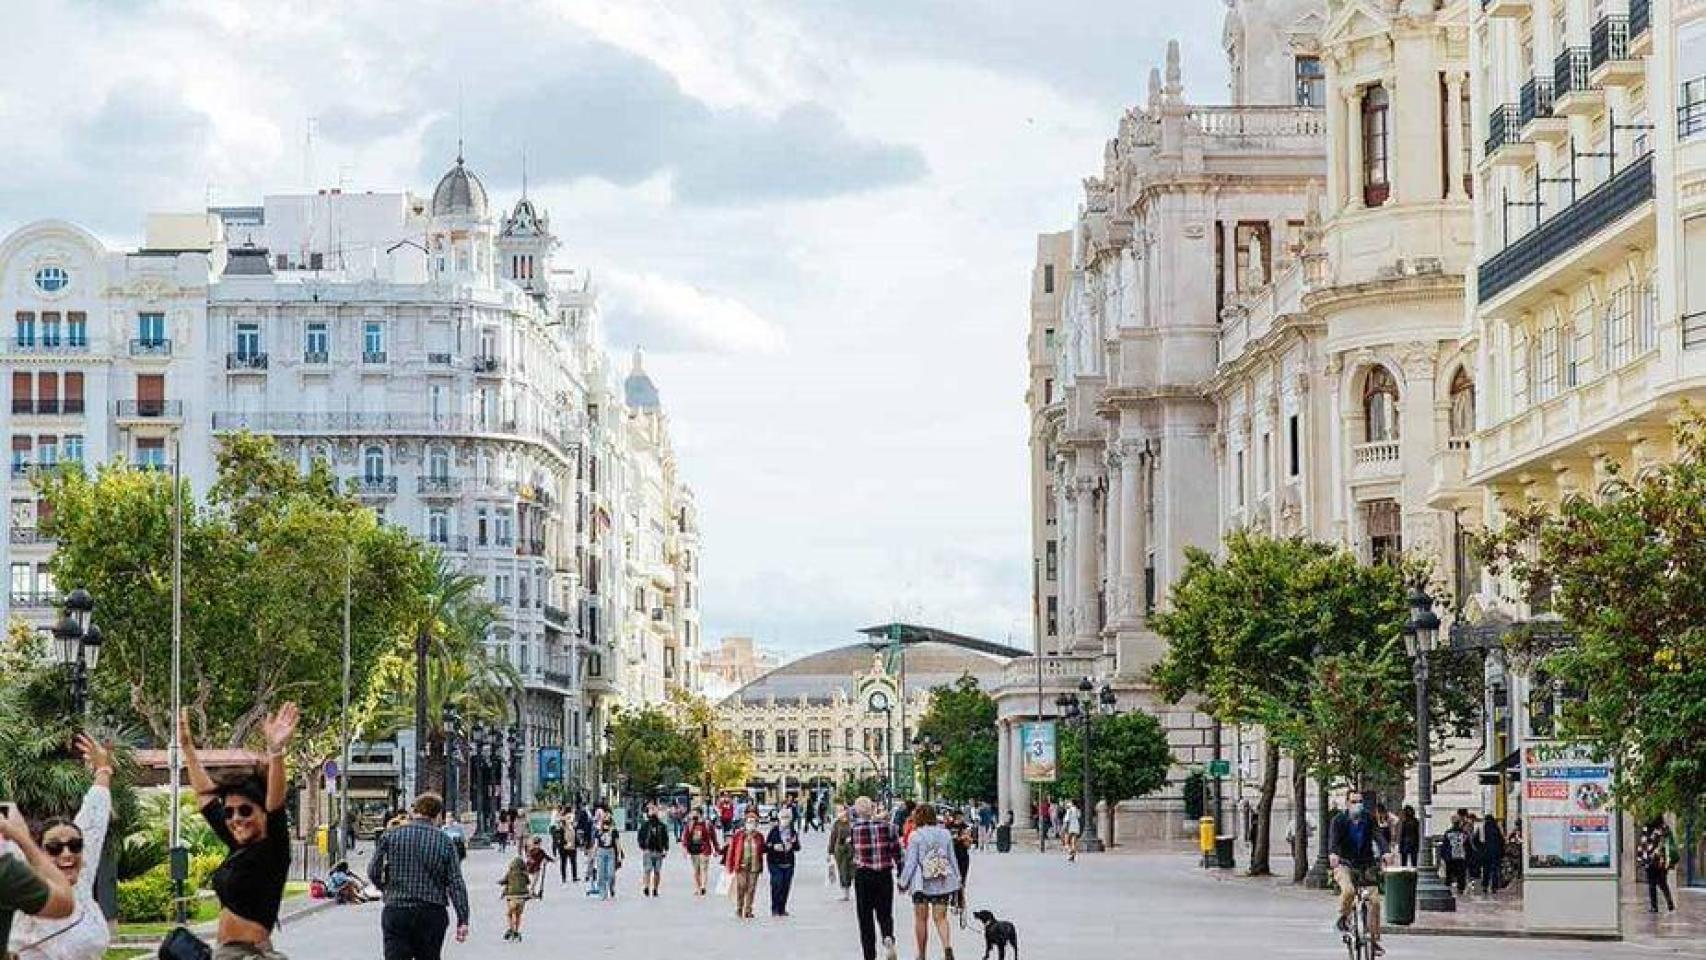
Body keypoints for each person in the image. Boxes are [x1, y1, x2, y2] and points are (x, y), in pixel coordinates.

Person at [180, 703, 299, 960]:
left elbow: (276, 804)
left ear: (263, 813)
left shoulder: (272, 849)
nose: (236, 819)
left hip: (250, 954)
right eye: (230, 812)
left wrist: (276, 751)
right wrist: (188, 748)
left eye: (245, 811)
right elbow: (205, 796)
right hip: (226, 953)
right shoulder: (238, 847)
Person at [8, 735, 114, 960]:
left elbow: (95, 819)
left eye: (75, 846)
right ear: (40, 854)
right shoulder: (29, 891)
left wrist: (103, 769)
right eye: (55, 848)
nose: (67, 853)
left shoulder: (82, 880)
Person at [368, 793, 471, 960]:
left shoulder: (391, 835)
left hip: (397, 909)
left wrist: (386, 888)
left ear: (414, 811)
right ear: (438, 815)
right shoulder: (444, 841)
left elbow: (373, 870)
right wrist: (463, 919)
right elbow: (455, 882)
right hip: (431, 912)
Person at [0, 803, 75, 955]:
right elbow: (65, 902)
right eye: (54, 846)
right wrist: (21, 837)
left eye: (75, 845)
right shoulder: (5, 871)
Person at [1328, 788, 1390, 958]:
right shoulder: (1338, 820)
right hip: (1345, 864)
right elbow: (1333, 840)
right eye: (1354, 802)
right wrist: (1333, 854)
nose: (1358, 805)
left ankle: (1375, 941)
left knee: (1375, 902)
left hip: (1366, 865)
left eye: (1360, 801)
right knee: (1348, 890)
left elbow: (1378, 836)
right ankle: (1343, 917)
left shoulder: (1368, 819)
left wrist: (1386, 851)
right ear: (1347, 803)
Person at [897, 804, 963, 960]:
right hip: (942, 881)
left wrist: (903, 882)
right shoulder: (945, 834)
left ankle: (921, 954)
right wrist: (958, 879)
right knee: (941, 918)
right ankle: (947, 947)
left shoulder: (915, 836)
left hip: (922, 884)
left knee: (921, 919)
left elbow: (911, 862)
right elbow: (952, 858)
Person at [851, 796, 902, 960]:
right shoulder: (890, 828)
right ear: (873, 808)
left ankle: (869, 955)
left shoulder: (855, 829)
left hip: (863, 876)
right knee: (885, 912)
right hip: (884, 875)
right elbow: (898, 854)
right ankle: (888, 936)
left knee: (865, 918)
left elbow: (853, 850)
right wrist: (901, 875)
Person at [722, 810, 767, 920]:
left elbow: (763, 849)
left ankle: (748, 910)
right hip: (741, 865)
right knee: (741, 887)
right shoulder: (738, 835)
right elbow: (731, 850)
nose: (751, 824)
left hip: (754, 866)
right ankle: (739, 907)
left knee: (751, 888)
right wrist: (729, 865)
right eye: (749, 821)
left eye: (754, 822)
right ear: (745, 823)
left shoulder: (759, 836)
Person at [766, 808, 802, 917]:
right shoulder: (774, 831)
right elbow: (767, 846)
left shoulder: (792, 832)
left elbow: (797, 847)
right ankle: (775, 908)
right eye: (783, 817)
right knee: (777, 884)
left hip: (788, 862)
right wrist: (774, 847)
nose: (785, 820)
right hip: (775, 862)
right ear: (779, 819)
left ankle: (782, 908)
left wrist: (794, 844)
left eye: (787, 817)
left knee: (786, 886)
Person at [1637, 816, 1678, 913]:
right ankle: (1670, 903)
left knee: (1652, 884)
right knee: (1663, 883)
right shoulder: (1664, 828)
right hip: (1661, 861)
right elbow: (1669, 844)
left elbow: (1643, 844)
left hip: (1651, 860)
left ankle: (1654, 906)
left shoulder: (1647, 828)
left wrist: (1640, 858)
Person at [681, 809, 722, 896]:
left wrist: (717, 850)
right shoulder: (690, 824)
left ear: (699, 814)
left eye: (694, 813)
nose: (692, 815)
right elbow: (685, 837)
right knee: (696, 870)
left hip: (705, 849)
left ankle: (703, 887)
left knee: (704, 868)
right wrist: (685, 849)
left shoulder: (707, 824)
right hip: (694, 850)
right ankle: (698, 887)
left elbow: (713, 838)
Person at [637, 804, 671, 898]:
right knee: (647, 870)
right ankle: (646, 887)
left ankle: (655, 888)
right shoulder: (645, 825)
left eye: (654, 810)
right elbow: (640, 836)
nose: (653, 812)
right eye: (651, 810)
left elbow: (665, 838)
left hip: (659, 850)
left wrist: (666, 849)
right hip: (648, 850)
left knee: (657, 871)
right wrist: (643, 847)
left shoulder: (662, 826)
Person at [590, 811, 622, 902]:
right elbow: (596, 844)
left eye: (608, 822)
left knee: (611, 874)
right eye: (604, 822)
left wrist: (619, 856)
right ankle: (602, 892)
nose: (606, 825)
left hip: (611, 852)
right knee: (601, 874)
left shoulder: (614, 831)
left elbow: (618, 844)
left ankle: (611, 887)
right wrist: (593, 855)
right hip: (601, 852)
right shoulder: (598, 832)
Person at [500, 851, 530, 942]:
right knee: (518, 915)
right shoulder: (524, 874)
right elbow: (528, 882)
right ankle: (516, 930)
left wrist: (500, 883)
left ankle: (511, 928)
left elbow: (504, 881)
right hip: (522, 897)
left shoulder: (510, 873)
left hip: (512, 896)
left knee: (509, 914)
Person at [827, 804, 855, 902]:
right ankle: (845, 893)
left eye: (841, 810)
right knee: (843, 872)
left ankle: (859, 891)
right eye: (838, 811)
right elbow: (833, 837)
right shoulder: (836, 824)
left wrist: (852, 839)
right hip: (840, 851)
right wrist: (830, 852)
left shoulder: (852, 823)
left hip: (852, 850)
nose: (839, 813)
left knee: (854, 871)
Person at [1440, 816, 1471, 894]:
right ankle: (1460, 889)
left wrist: (1443, 856)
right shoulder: (1464, 833)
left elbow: (1445, 846)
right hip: (1461, 856)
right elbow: (1468, 846)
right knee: (1461, 874)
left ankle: (1448, 888)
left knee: (1449, 873)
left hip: (1450, 856)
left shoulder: (1448, 833)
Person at [1479, 814, 1505, 894]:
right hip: (1495, 852)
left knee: (1486, 869)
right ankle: (1494, 887)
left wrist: (1480, 850)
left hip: (1485, 852)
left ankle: (1485, 886)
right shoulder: (1496, 828)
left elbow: (1478, 840)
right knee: (1494, 870)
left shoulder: (1482, 828)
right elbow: (1502, 841)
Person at [550, 808, 573, 885]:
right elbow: (557, 839)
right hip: (563, 847)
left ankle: (570, 876)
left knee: (567, 862)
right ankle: (563, 877)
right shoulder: (559, 829)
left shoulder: (570, 828)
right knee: (563, 862)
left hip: (569, 846)